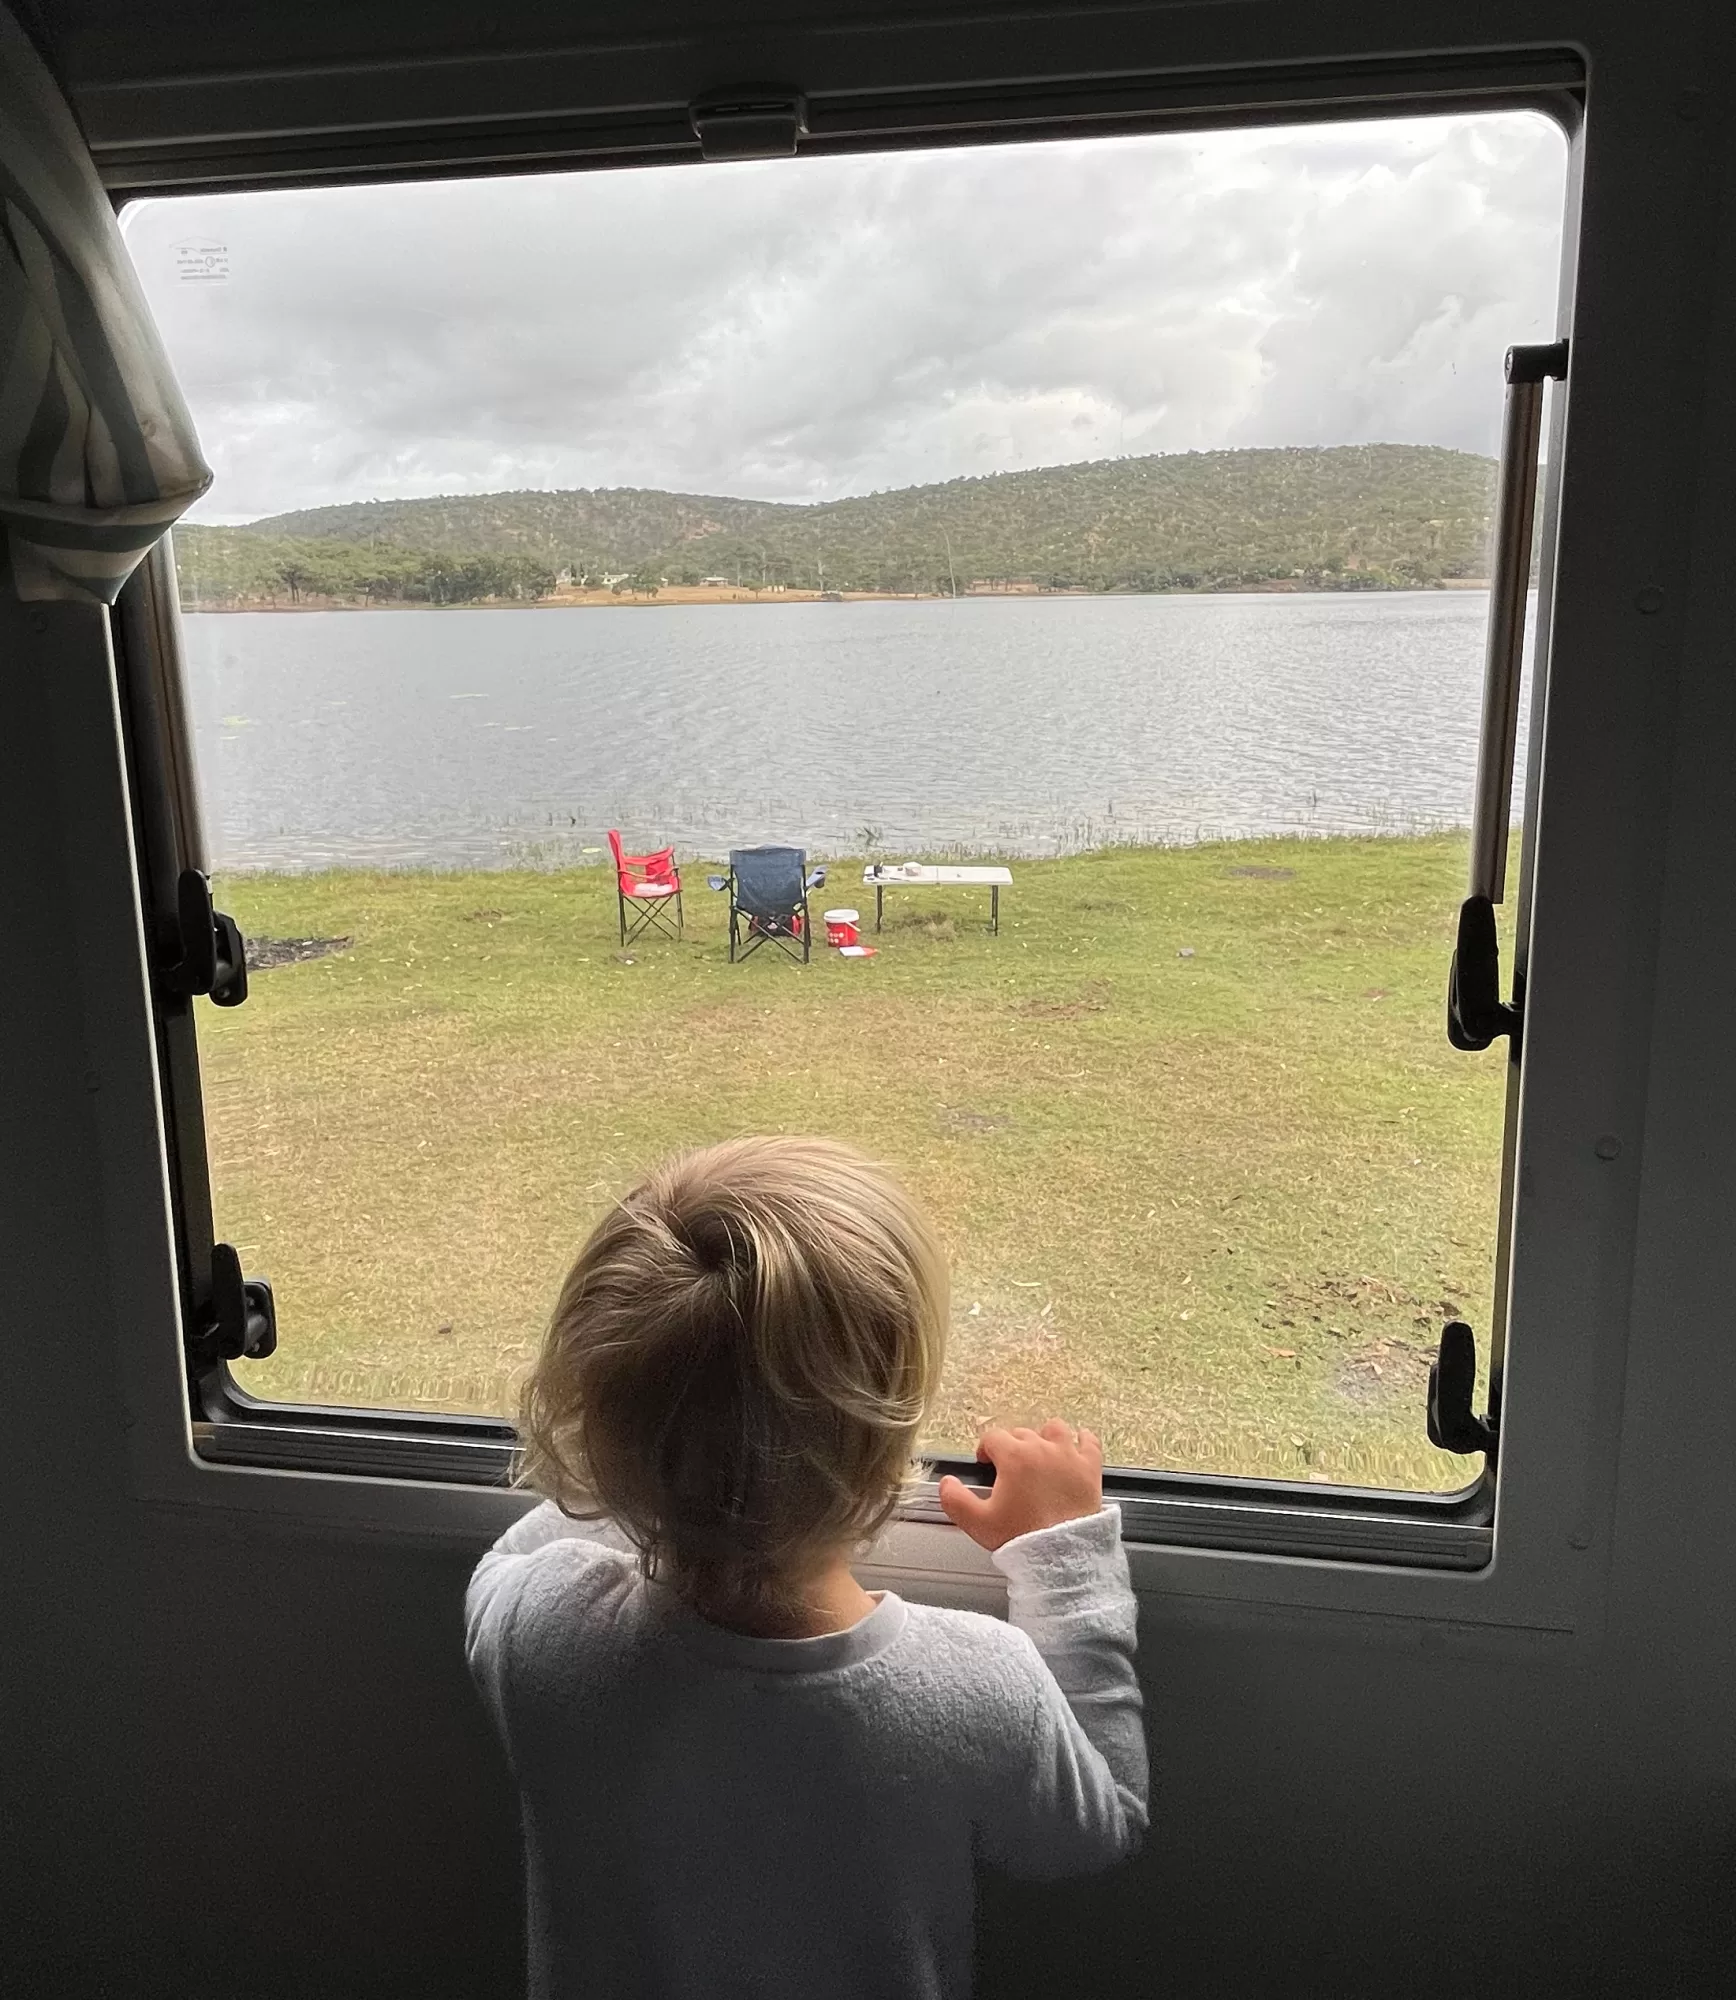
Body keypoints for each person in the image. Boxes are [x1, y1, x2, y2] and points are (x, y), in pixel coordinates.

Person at [466, 1135, 1147, 2000]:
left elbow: (506, 1561)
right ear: (883, 1443)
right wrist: (1066, 1552)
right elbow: (1099, 1829)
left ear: (599, 1433)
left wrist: (662, 1466)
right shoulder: (975, 1687)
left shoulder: (538, 1631)